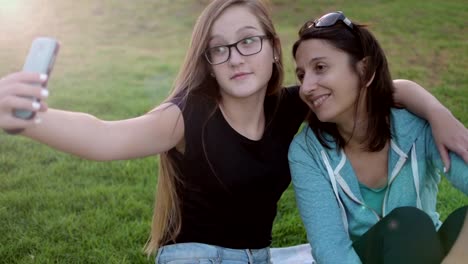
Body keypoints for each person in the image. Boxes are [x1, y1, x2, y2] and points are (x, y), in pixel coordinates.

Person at [0, 1, 467, 263]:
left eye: (248, 41)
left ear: (271, 50)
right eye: (218, 49)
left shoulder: (294, 105)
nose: (236, 57)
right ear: (207, 62)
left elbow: (387, 87)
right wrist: (33, 118)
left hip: (263, 259)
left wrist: (438, 111)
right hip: (195, 259)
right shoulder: (187, 114)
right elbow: (105, 135)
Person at [288, 11, 468, 264]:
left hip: (423, 253)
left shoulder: (416, 127)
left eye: (320, 67)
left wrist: (438, 112)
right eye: (301, 75)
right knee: (408, 224)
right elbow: (331, 250)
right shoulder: (307, 151)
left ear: (365, 70)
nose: (305, 87)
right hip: (362, 257)